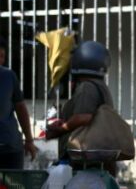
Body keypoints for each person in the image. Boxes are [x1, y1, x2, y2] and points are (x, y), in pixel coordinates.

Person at [44, 41, 117, 172]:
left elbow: (83, 117)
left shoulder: (86, 87)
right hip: (94, 162)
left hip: (85, 164)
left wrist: (62, 128)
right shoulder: (100, 86)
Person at [0, 38, 38, 168]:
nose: (1, 60)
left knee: (15, 186)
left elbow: (20, 108)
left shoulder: (9, 76)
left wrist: (29, 140)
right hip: (9, 146)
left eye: (2, 56)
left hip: (10, 147)